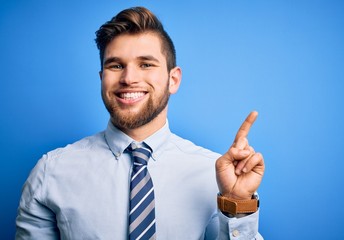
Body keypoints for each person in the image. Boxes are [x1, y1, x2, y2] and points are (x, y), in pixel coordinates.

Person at [16, 6, 265, 240]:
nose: (129, 78)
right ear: (102, 78)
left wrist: (237, 204)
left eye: (146, 64)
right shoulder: (51, 172)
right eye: (116, 65)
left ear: (173, 79)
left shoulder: (212, 174)